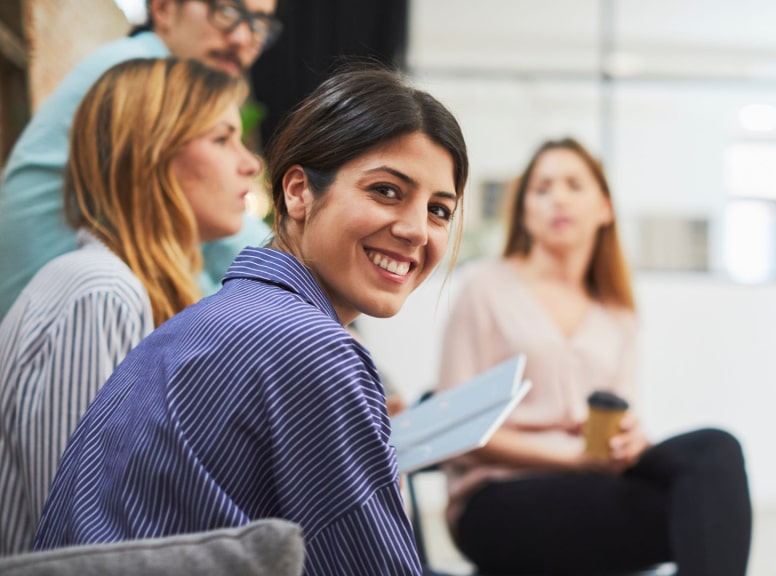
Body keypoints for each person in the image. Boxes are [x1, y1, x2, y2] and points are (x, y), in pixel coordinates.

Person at [33, 66, 469, 576]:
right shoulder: (312, 345)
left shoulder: (209, 319)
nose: (417, 230)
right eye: (387, 191)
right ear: (298, 192)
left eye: (440, 210)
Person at [436, 138, 752, 575]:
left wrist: (628, 440)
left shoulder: (616, 313)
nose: (558, 198)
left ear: (604, 208)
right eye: (542, 189)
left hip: (592, 481)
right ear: (525, 211)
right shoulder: (485, 287)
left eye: (573, 185)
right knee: (701, 518)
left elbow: (614, 420)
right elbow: (456, 432)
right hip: (501, 496)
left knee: (716, 452)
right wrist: (570, 459)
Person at [0, 57, 260, 556]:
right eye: (222, 139)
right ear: (151, 153)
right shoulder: (99, 292)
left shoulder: (130, 291)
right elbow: (85, 546)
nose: (249, 163)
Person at [0, 0, 281, 318]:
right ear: (163, 9)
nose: (243, 39)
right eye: (227, 12)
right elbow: (234, 244)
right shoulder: (138, 78)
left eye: (258, 24)